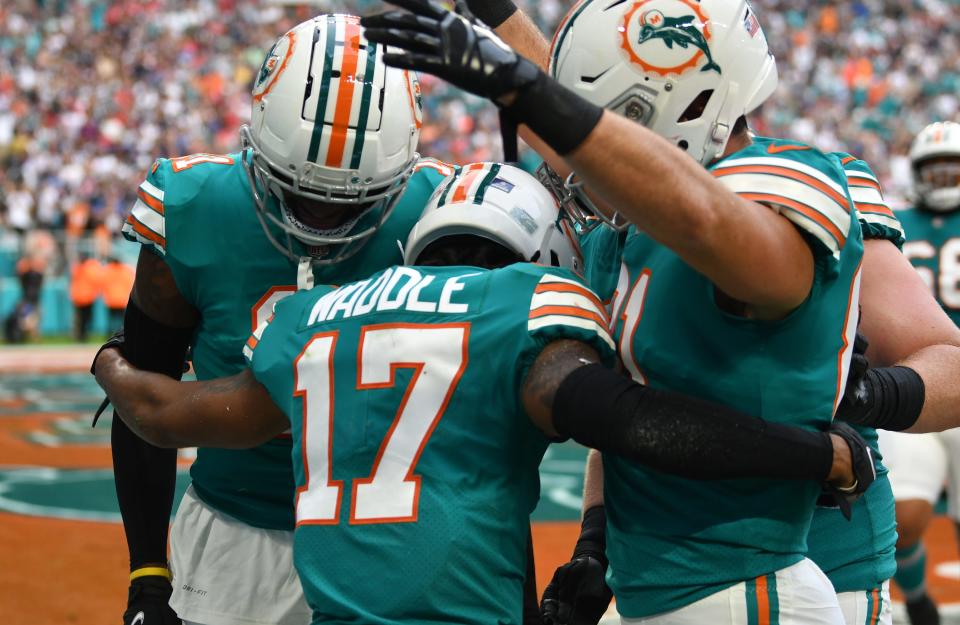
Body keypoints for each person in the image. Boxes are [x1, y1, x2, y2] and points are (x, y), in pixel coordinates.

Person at [376, 3, 960, 624]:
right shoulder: (618, 231)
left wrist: (865, 394)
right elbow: (633, 399)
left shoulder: (795, 185)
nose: (581, 161)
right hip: (662, 570)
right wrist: (595, 544)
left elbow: (950, 362)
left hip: (809, 558)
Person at [94, 163, 875, 625]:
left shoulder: (311, 320)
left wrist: (112, 367)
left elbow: (165, 414)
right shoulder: (523, 307)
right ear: (541, 255)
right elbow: (632, 422)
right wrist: (813, 452)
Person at [108, 14, 450, 625]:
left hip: (397, 538)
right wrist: (146, 579)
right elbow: (144, 408)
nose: (319, 220)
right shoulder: (195, 206)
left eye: (351, 199)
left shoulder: (443, 217)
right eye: (301, 192)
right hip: (237, 536)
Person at [866, 121, 960, 625]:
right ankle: (920, 601)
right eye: (935, 169)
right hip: (917, 383)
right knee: (907, 516)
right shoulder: (893, 221)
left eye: (953, 168)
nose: (944, 177)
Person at [70, 252, 103, 342]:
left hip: (85, 298)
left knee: (83, 318)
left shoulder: (81, 268)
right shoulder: (86, 268)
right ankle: (81, 335)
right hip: (83, 298)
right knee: (82, 319)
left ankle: (81, 335)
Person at [101, 256, 135, 333]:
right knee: (122, 320)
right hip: (122, 300)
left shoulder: (108, 270)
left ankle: (109, 334)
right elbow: (131, 284)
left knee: (110, 320)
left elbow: (102, 283)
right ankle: (121, 334)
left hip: (111, 300)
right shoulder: (126, 271)